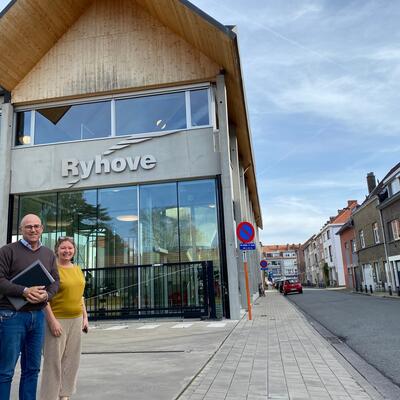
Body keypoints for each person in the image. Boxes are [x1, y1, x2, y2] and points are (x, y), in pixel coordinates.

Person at [0, 214, 60, 400]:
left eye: (36, 226)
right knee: (5, 370)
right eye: (28, 227)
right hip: (11, 315)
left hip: (38, 316)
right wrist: (25, 291)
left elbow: (56, 281)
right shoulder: (7, 251)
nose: (33, 230)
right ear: (21, 230)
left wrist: (47, 295)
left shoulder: (49, 253)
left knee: (32, 369)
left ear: (42, 228)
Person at [40, 236, 88, 400]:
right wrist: (52, 321)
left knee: (71, 361)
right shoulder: (52, 270)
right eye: (63, 248)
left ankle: (65, 395)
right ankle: (49, 396)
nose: (67, 251)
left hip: (76, 319)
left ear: (74, 250)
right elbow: (43, 298)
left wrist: (85, 318)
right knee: (53, 363)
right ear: (57, 250)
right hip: (57, 319)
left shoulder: (77, 269)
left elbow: (81, 296)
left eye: (70, 248)